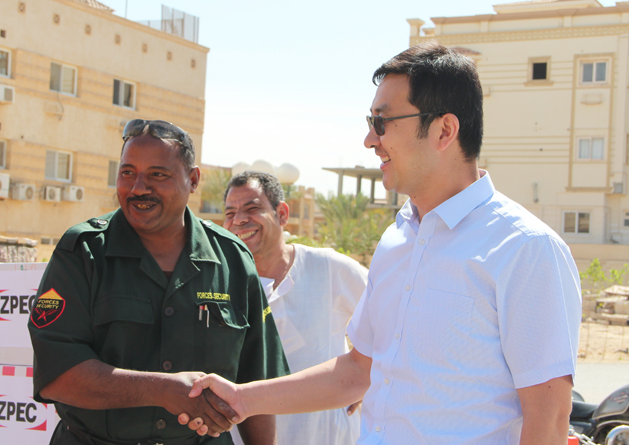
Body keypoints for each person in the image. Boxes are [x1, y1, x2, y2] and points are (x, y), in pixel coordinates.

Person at [184, 42, 582, 445]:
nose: (369, 139)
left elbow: (548, 419)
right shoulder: (397, 240)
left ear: (444, 130)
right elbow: (358, 371)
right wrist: (242, 398)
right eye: (370, 121)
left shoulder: (525, 249)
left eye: (382, 121)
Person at [28, 119, 288, 445]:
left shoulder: (233, 259)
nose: (138, 188)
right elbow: (58, 373)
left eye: (157, 175)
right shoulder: (83, 252)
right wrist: (162, 390)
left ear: (193, 180)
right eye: (127, 173)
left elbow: (257, 382)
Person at [222, 171, 367, 445]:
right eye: (230, 213)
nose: (238, 220)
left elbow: (396, 323)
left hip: (324, 437)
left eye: (252, 209)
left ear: (282, 214)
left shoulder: (328, 268)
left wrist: (370, 380)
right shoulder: (219, 282)